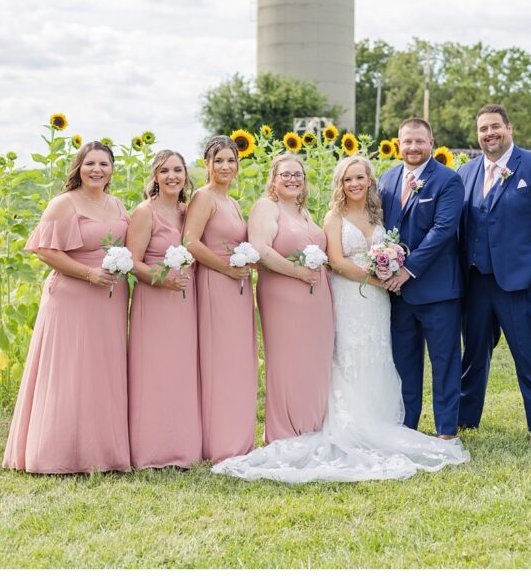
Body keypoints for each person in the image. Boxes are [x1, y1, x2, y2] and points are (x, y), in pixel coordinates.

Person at [212, 156, 469, 482]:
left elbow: (393, 246)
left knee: (379, 354)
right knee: (349, 354)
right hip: (351, 294)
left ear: (369, 180)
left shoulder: (378, 214)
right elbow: (335, 261)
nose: (355, 184)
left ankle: (381, 419)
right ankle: (350, 422)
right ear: (340, 183)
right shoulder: (333, 216)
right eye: (348, 179)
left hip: (378, 301)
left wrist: (389, 267)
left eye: (360, 177)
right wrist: (378, 279)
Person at [3, 141, 131, 473]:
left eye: (104, 164)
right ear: (78, 167)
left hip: (110, 301)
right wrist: (89, 273)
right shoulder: (64, 204)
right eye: (90, 163)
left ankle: (101, 452)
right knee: (68, 373)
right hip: (71, 298)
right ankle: (56, 454)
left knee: (102, 373)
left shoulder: (117, 205)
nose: (97, 170)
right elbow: (45, 251)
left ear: (112, 169)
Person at [458, 104, 531, 446]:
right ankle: (465, 420)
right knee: (473, 354)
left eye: (495, 127)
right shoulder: (466, 172)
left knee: (529, 354)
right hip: (475, 282)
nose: (489, 134)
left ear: (509, 127)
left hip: (520, 282)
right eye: (483, 129)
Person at [376, 118, 465, 439]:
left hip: (438, 291)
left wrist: (407, 270)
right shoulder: (386, 180)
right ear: (398, 144)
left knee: (444, 361)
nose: (412, 147)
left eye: (419, 141)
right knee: (404, 362)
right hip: (397, 294)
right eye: (406, 142)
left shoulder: (448, 180)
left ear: (431, 143)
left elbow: (442, 231)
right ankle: (406, 425)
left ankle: (445, 428)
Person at [244, 154, 334, 443]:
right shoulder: (266, 207)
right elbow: (261, 249)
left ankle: (312, 425)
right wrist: (297, 273)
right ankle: (285, 430)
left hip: (316, 299)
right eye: (286, 174)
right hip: (284, 297)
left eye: (298, 174)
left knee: (315, 360)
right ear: (274, 178)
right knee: (288, 361)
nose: (293, 179)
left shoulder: (302, 209)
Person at [124, 149, 201, 470]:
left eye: (178, 170)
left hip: (186, 303)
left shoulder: (188, 211)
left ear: (186, 176)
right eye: (165, 170)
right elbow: (131, 262)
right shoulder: (145, 212)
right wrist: (162, 280)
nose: (172, 176)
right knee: (154, 371)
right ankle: (151, 450)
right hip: (154, 301)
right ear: (155, 176)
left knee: (181, 371)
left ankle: (182, 447)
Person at [183, 136, 258, 463]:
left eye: (231, 160)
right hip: (216, 283)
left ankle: (239, 438)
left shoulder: (233, 202)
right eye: (219, 161)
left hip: (238, 286)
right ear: (207, 164)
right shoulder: (204, 197)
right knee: (221, 360)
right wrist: (227, 268)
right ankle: (220, 442)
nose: (226, 166)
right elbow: (191, 243)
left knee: (239, 359)